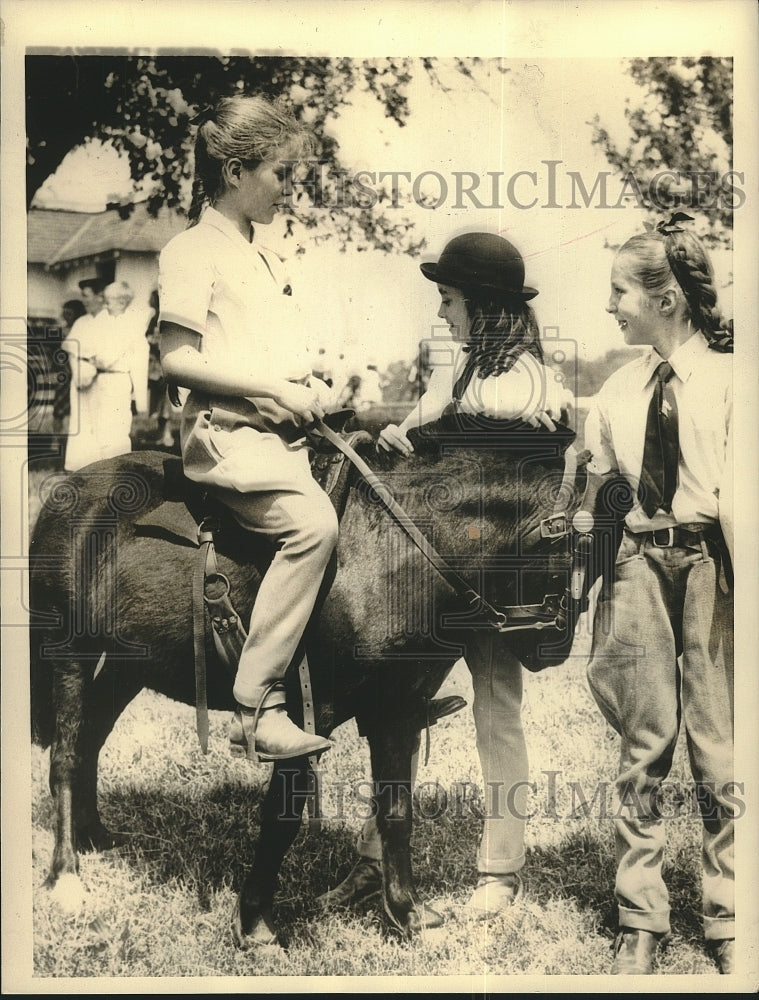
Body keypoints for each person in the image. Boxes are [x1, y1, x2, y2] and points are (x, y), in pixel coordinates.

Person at [322, 232, 567, 917]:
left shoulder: (529, 381)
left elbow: (495, 466)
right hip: (433, 576)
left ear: (482, 304)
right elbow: (422, 444)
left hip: (495, 586)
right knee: (399, 707)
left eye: (449, 299)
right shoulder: (454, 370)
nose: (441, 312)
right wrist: (400, 436)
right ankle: (376, 857)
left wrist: (429, 439)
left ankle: (500, 869)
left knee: (496, 712)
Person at [158, 94, 339, 763]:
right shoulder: (190, 249)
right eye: (280, 173)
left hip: (276, 433)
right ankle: (257, 706)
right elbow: (177, 358)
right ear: (235, 172)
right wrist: (271, 389)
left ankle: (370, 684)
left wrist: (308, 384)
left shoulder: (263, 255)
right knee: (313, 527)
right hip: (227, 435)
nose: (289, 188)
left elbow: (265, 352)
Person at [583, 215, 734, 975]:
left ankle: (728, 911)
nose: (609, 304)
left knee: (719, 745)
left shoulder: (735, 383)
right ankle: (639, 914)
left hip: (715, 566)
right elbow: (601, 493)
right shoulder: (619, 388)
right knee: (644, 742)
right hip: (640, 563)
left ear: (665, 299)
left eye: (619, 291)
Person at [52, 298, 86, 436]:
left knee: (80, 407)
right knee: (59, 408)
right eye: (64, 313)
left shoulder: (83, 330)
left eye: (69, 314)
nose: (66, 317)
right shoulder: (60, 331)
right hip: (64, 373)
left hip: (80, 373)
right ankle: (56, 438)